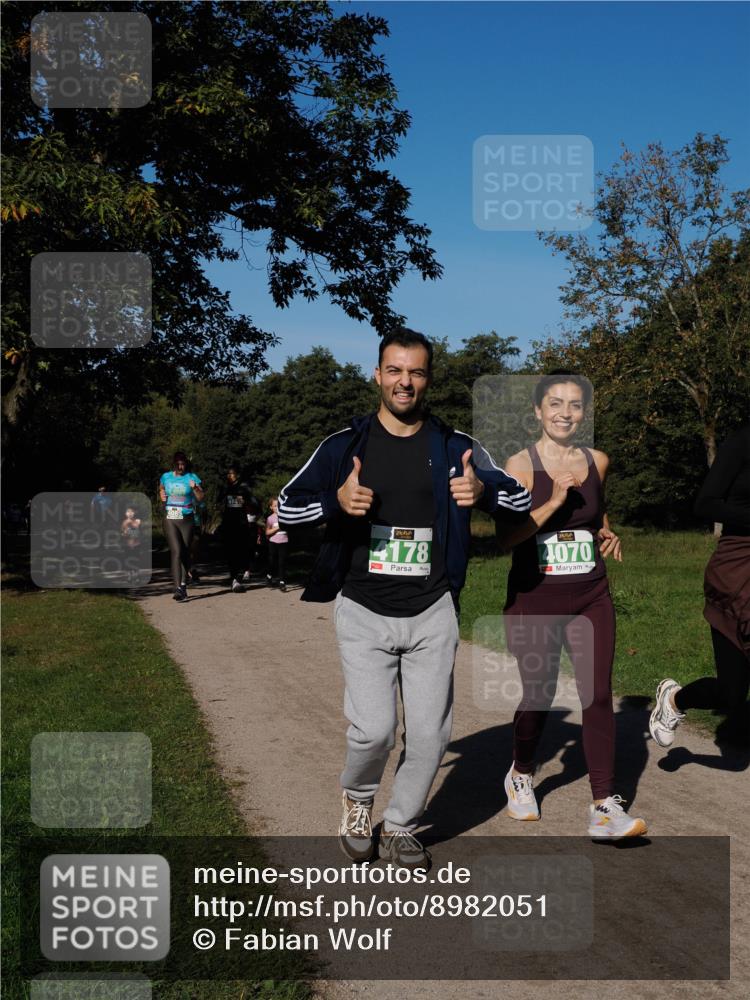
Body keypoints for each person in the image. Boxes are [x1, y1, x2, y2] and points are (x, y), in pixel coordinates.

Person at [278, 328, 531, 867]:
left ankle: (400, 825)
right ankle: (358, 799)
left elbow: (521, 497)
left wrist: (485, 493)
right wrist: (335, 500)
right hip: (364, 606)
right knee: (373, 731)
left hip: (433, 608)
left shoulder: (455, 445)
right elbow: (286, 508)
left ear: (429, 380)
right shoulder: (345, 444)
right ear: (377, 374)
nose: (405, 381)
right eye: (394, 370)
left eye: (416, 372)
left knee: (430, 735)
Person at [497, 371, 647, 840]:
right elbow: (508, 537)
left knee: (598, 694)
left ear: (584, 413)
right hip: (535, 596)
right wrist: (555, 499)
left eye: (575, 405)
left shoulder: (597, 460)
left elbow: (596, 507)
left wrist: (605, 528)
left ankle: (604, 806)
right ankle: (521, 771)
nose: (566, 413)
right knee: (537, 696)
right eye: (556, 404)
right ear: (538, 412)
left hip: (590, 593)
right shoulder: (518, 466)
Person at [650, 423, 750, 749]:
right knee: (731, 694)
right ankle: (675, 700)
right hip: (738, 572)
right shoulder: (741, 442)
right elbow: (705, 504)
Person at [158, 452, 204, 601]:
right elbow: (161, 489)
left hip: (187, 517)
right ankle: (177, 588)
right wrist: (162, 495)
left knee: (184, 551)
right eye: (178, 464)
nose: (180, 467)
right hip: (171, 516)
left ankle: (183, 585)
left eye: (183, 464)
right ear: (174, 464)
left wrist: (195, 488)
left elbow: (201, 498)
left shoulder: (192, 477)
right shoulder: (166, 477)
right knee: (176, 551)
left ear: (186, 464)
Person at [217, 465, 255, 593]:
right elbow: (218, 500)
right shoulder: (225, 488)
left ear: (237, 475)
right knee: (230, 551)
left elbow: (254, 502)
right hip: (228, 523)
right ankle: (234, 578)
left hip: (241, 523)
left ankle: (237, 577)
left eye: (231, 473)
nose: (229, 476)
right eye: (227, 474)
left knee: (240, 551)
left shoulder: (244, 487)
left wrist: (246, 501)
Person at [265, 497, 289, 592]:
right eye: (275, 506)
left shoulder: (286, 516)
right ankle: (269, 576)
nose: (277, 507)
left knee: (282, 562)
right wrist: (277, 528)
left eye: (278, 505)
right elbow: (267, 532)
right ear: (271, 507)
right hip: (273, 542)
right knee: (272, 561)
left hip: (284, 542)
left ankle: (282, 582)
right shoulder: (270, 518)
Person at [121, 505, 142, 584]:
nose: (130, 513)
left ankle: (137, 576)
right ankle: (129, 576)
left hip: (136, 544)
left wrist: (128, 529)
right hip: (127, 545)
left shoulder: (138, 521)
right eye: (128, 512)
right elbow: (122, 533)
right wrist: (124, 534)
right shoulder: (124, 522)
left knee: (136, 560)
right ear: (125, 513)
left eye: (131, 512)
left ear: (135, 513)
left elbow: (137, 528)